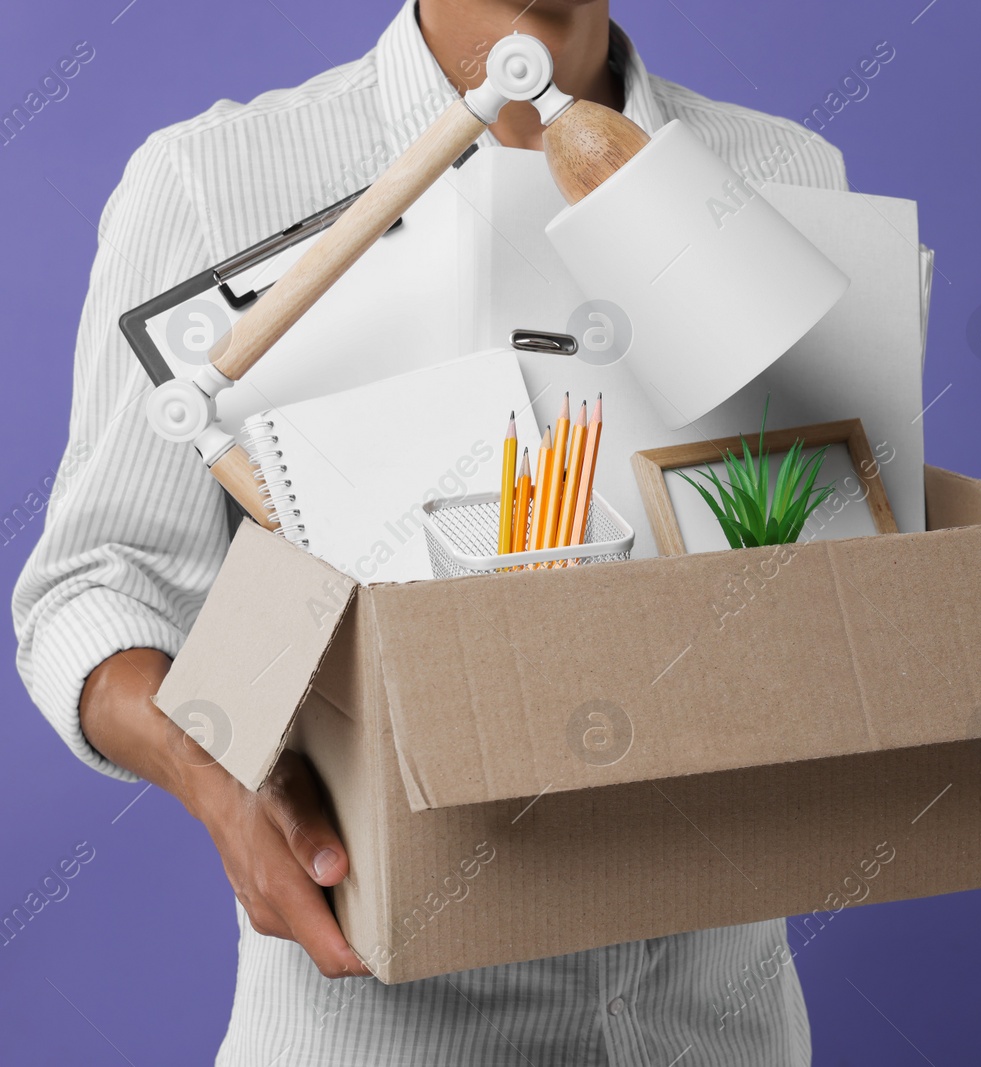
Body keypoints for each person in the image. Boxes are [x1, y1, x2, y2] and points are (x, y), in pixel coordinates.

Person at [12, 1, 845, 1063]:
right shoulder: (211, 178)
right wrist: (221, 782)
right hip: (377, 1027)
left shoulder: (785, 168)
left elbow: (843, 534)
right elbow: (93, 585)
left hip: (724, 1028)